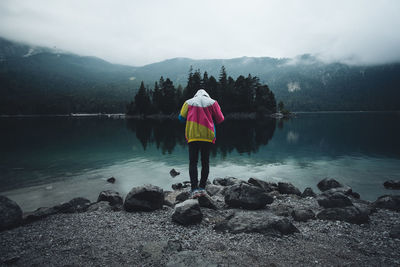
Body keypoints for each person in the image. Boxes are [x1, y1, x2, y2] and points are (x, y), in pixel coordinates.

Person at [179, 89, 224, 198]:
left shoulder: (188, 102)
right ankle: (202, 188)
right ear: (207, 95)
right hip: (207, 136)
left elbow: (181, 118)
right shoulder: (213, 102)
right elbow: (220, 119)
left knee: (193, 162)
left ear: (195, 95)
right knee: (205, 162)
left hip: (193, 136)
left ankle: (194, 189)